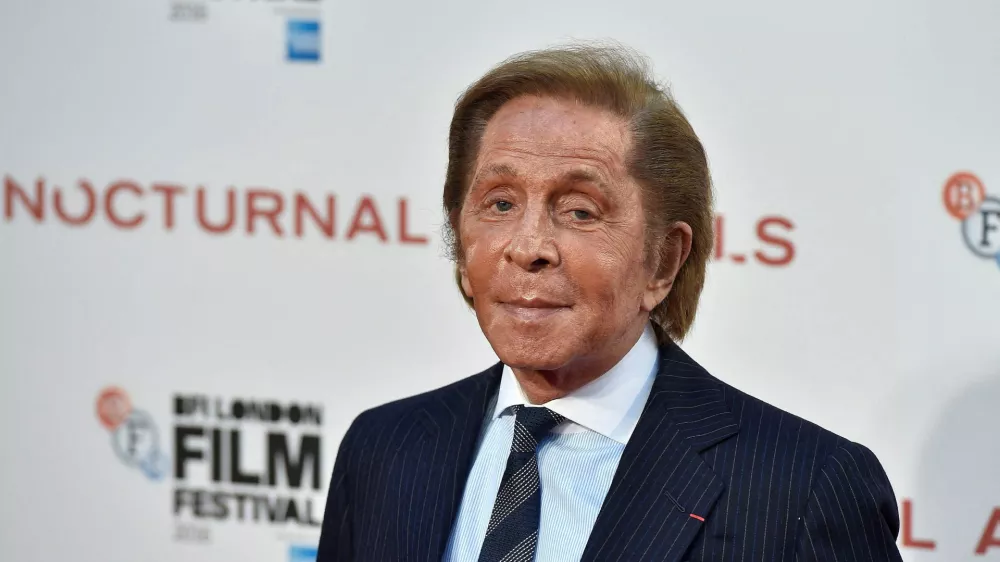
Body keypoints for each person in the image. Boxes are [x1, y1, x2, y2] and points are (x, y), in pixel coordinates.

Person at [316, 44, 903, 562]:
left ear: (663, 261)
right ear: (457, 233)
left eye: (579, 210)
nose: (528, 247)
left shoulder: (803, 487)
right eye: (499, 204)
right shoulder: (385, 448)